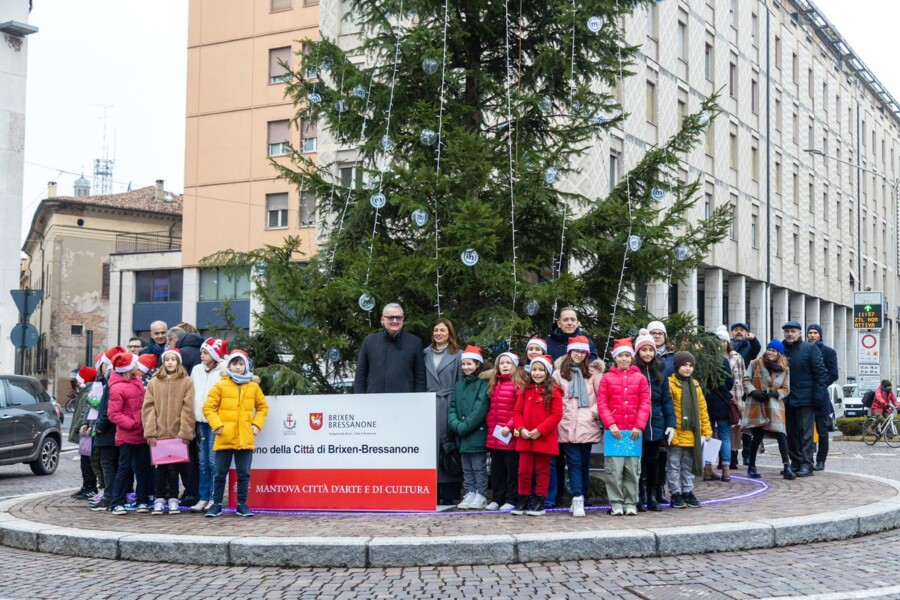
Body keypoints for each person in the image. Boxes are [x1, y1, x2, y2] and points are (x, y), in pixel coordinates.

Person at [203, 350, 269, 518]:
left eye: (241, 364)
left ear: (246, 366)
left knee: (244, 473)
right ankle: (216, 504)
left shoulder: (253, 386)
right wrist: (217, 425)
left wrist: (256, 425)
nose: (238, 367)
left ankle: (242, 504)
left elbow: (263, 407)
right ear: (229, 365)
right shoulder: (220, 385)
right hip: (225, 436)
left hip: (244, 437)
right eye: (234, 364)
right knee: (219, 473)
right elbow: (208, 407)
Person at [597, 338, 651, 516]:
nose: (624, 359)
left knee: (632, 471)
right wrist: (610, 424)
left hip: (633, 433)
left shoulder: (640, 378)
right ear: (615, 358)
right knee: (614, 471)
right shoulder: (607, 378)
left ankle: (630, 502)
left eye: (627, 355)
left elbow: (645, 403)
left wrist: (639, 425)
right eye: (620, 356)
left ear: (632, 358)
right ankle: (616, 502)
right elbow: (602, 403)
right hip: (615, 433)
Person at [552, 336, 602, 518]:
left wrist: (593, 413)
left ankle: (582, 494)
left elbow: (602, 396)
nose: (579, 355)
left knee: (583, 464)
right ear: (569, 352)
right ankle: (577, 497)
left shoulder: (593, 373)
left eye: (582, 352)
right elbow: (554, 397)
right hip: (566, 424)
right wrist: (561, 414)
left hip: (587, 424)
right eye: (576, 351)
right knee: (573, 462)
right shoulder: (558, 373)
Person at [143, 348, 196, 515]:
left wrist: (185, 432)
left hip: (177, 434)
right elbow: (148, 408)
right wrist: (151, 431)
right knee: (160, 469)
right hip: (159, 434)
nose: (170, 362)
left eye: (173, 359)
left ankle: (173, 498)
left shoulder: (186, 382)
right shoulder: (154, 382)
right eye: (167, 360)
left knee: (174, 469)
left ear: (178, 362)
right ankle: (159, 499)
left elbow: (188, 408)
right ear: (163, 362)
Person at [511, 355, 563, 516]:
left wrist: (540, 430)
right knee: (523, 470)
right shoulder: (526, 390)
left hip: (544, 438)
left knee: (542, 470)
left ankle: (539, 501)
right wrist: (521, 428)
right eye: (534, 369)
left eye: (541, 370)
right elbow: (517, 412)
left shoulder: (554, 391)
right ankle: (523, 500)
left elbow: (556, 415)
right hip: (525, 437)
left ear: (547, 372)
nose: (537, 373)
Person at [633, 330, 675, 512]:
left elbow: (666, 399)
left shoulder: (660, 371)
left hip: (656, 420)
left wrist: (670, 423)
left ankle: (652, 494)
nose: (648, 353)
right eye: (644, 350)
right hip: (638, 421)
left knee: (654, 460)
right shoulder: (634, 371)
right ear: (638, 352)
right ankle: (640, 494)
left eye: (651, 350)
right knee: (639, 461)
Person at [423, 318, 463, 505]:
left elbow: (461, 383)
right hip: (429, 404)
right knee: (431, 448)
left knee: (448, 446)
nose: (439, 333)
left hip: (449, 402)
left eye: (443, 330)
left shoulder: (458, 355)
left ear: (450, 333)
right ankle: (432, 490)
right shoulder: (424, 354)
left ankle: (449, 491)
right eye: (436, 330)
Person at [781, 321, 828, 478]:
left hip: (806, 399)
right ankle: (795, 462)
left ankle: (807, 463)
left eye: (793, 331)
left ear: (800, 333)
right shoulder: (780, 349)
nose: (789, 334)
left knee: (806, 433)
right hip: (785, 399)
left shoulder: (810, 349)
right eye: (787, 331)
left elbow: (821, 374)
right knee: (790, 433)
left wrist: (818, 397)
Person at [107, 353, 152, 516]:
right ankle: (117, 502)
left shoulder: (137, 381)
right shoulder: (117, 387)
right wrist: (133, 423)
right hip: (127, 435)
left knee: (143, 468)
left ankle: (142, 500)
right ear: (127, 368)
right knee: (124, 468)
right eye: (135, 363)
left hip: (142, 433)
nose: (138, 365)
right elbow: (114, 414)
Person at [742, 340, 794, 480]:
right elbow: (746, 380)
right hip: (757, 403)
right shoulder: (755, 363)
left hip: (775, 405)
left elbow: (786, 388)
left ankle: (786, 466)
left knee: (781, 435)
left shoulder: (785, 369)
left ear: (779, 354)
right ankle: (751, 465)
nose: (770, 352)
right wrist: (753, 392)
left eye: (774, 350)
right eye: (769, 349)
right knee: (757, 434)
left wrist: (775, 393)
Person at [667, 351, 712, 509]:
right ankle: (675, 493)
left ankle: (688, 491)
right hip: (675, 432)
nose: (687, 368)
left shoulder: (696, 385)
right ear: (677, 366)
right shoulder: (670, 384)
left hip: (692, 433)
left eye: (690, 365)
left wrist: (706, 431)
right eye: (684, 365)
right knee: (673, 465)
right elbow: (669, 409)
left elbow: (702, 410)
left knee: (688, 465)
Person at [448, 346, 490, 510]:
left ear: (478, 364)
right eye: (463, 364)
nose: (466, 367)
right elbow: (452, 407)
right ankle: (470, 491)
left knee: (478, 466)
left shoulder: (483, 384)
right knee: (466, 467)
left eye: (469, 364)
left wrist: (464, 426)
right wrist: (455, 424)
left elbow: (480, 408)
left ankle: (481, 493)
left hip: (476, 432)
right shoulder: (459, 385)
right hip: (462, 434)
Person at [189, 337, 228, 512]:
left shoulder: (224, 371)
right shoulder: (197, 370)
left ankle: (214, 497)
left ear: (214, 354)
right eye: (202, 353)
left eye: (205, 353)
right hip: (200, 421)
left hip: (216, 422)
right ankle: (203, 497)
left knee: (213, 461)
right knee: (202, 461)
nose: (202, 356)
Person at [354, 303, 426, 393]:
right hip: (374, 402)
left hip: (405, 403)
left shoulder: (415, 342)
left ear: (403, 319)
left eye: (398, 317)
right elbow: (360, 377)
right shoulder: (369, 342)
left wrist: (418, 403)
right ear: (382, 319)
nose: (395, 321)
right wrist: (361, 401)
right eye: (390, 317)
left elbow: (420, 379)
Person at [484, 351, 520, 511]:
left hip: (510, 435)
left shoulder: (517, 384)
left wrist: (510, 426)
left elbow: (519, 409)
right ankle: (497, 498)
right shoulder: (494, 383)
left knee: (511, 469)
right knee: (496, 469)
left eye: (508, 363)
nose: (504, 366)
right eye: (502, 363)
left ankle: (511, 498)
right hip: (495, 434)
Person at [647, 320, 675, 506]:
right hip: (645, 412)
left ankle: (659, 486)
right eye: (653, 332)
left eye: (660, 333)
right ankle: (646, 490)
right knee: (648, 455)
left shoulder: (672, 357)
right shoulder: (640, 357)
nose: (657, 335)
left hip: (662, 410)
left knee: (662, 454)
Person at [702, 330, 735, 482]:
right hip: (721, 403)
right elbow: (729, 383)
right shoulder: (722, 361)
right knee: (724, 436)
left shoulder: (699, 361)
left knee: (708, 436)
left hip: (705, 404)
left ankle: (708, 468)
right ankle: (726, 469)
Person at [806, 324, 839, 471]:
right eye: (810, 333)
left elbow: (833, 374)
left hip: (821, 396)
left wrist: (820, 385)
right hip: (804, 395)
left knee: (822, 431)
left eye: (815, 333)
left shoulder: (829, 352)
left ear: (820, 335)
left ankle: (821, 460)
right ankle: (806, 459)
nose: (812, 335)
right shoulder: (803, 349)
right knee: (803, 431)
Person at [718, 326, 747, 472]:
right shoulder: (713, 358)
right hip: (719, 397)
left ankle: (734, 456)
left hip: (736, 394)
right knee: (720, 429)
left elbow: (744, 376)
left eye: (724, 341)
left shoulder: (737, 357)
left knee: (735, 427)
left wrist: (743, 396)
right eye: (718, 341)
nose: (721, 344)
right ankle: (721, 457)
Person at [69, 367, 99, 500]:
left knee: (87, 461)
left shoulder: (88, 392)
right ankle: (87, 486)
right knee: (85, 459)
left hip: (86, 432)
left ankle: (90, 487)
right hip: (84, 431)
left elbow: (84, 413)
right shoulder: (85, 391)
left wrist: (80, 427)